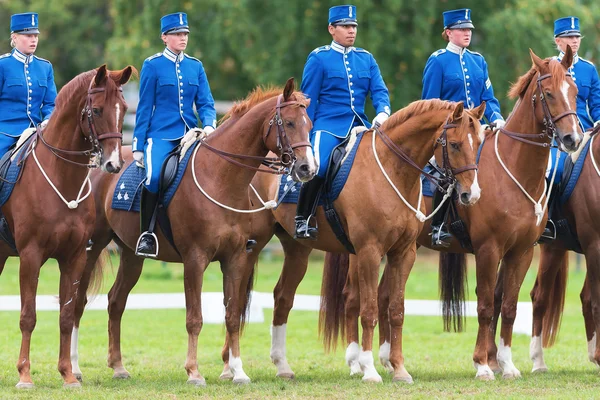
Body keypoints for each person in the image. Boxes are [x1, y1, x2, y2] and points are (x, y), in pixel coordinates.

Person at [296, 4, 391, 240]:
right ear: (331, 29)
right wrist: (308, 131)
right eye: (346, 26)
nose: (351, 30)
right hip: (328, 126)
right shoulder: (319, 58)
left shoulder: (366, 59)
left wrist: (383, 112)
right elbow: (308, 99)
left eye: (354, 26)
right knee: (318, 168)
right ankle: (303, 218)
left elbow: (379, 91)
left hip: (361, 126)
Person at [133, 12, 217, 257]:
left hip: (191, 134)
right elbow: (145, 106)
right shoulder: (152, 65)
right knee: (154, 178)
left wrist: (209, 124)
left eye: (185, 34)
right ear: (164, 37)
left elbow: (206, 103)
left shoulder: (195, 66)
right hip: (160, 135)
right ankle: (146, 234)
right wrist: (138, 143)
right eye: (178, 34)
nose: (183, 38)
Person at [421, 8, 504, 248]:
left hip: (477, 130)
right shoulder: (438, 61)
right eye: (461, 29)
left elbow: (488, 97)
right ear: (448, 33)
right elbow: (430, 103)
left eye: (469, 29)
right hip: (450, 133)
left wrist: (496, 117)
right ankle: (437, 226)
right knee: (443, 172)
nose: (467, 33)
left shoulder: (478, 61)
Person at [542, 16, 600, 239]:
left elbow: (596, 103)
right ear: (558, 41)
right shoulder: (548, 68)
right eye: (569, 37)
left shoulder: (589, 69)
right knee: (554, 171)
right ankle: (549, 221)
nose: (574, 41)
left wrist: (598, 121)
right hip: (559, 138)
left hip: (587, 134)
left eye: (577, 37)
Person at [0, 12, 57, 157]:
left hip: (37, 132)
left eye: (35, 36)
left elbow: (51, 103)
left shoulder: (45, 67)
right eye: (28, 36)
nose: (33, 40)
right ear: (14, 37)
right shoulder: (3, 65)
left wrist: (48, 120)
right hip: (5, 133)